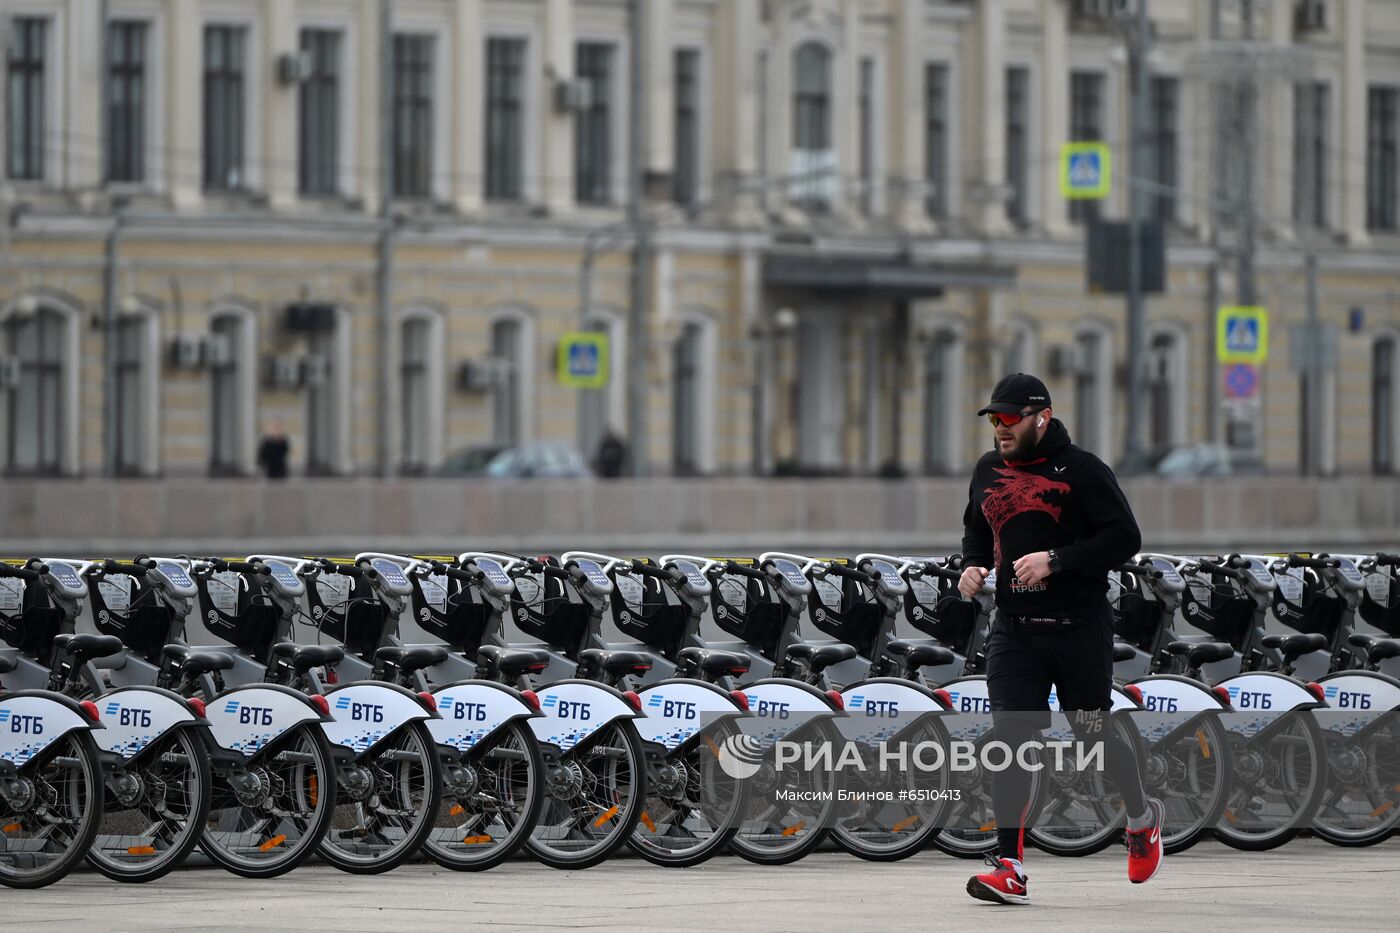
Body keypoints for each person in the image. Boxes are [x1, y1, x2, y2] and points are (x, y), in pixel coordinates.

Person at [959, 373, 1163, 905]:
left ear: (1040, 417)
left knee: (1092, 731)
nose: (999, 428)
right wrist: (974, 565)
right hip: (1015, 632)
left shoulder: (1083, 470)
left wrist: (1057, 560)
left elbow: (1125, 537)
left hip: (1077, 627)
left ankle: (1141, 819)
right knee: (1010, 739)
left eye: (1009, 418)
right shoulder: (987, 469)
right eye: (993, 419)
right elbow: (978, 529)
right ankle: (1009, 865)